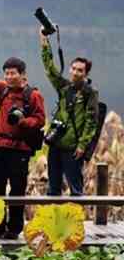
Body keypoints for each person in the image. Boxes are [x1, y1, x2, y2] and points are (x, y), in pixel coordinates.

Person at [0, 35, 45, 239]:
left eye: (12, 73)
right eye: (6, 73)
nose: (9, 76)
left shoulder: (33, 95)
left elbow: (40, 120)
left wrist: (23, 121)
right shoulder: (3, 90)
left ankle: (14, 229)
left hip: (20, 148)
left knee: (17, 188)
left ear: (23, 75)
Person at [40, 30, 99, 196]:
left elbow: (91, 121)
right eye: (73, 69)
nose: (74, 72)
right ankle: (53, 220)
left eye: (80, 70)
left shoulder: (90, 92)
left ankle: (76, 220)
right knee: (53, 189)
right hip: (56, 143)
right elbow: (50, 69)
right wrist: (44, 42)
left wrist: (82, 145)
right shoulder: (64, 87)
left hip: (73, 148)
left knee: (75, 189)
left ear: (86, 73)